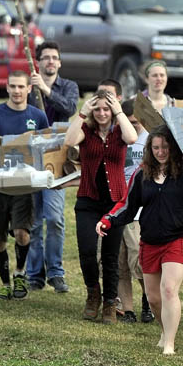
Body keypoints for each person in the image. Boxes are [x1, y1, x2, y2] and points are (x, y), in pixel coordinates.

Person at [97, 126, 183, 354]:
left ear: (173, 148)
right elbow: (127, 206)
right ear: (150, 149)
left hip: (179, 238)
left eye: (165, 147)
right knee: (153, 298)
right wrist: (107, 220)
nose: (161, 152)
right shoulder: (143, 174)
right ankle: (164, 331)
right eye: (156, 147)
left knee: (169, 289)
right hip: (149, 240)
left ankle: (169, 343)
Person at [65, 89, 137, 324]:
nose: (102, 113)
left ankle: (109, 302)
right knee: (87, 252)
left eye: (106, 109)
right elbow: (69, 141)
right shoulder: (86, 131)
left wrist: (118, 110)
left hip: (114, 203)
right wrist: (82, 113)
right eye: (98, 109)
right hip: (88, 200)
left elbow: (132, 137)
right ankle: (93, 293)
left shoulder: (119, 133)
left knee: (111, 255)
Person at [0, 71, 50, 300]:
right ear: (6, 88)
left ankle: (20, 273)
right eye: (12, 86)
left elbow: (46, 146)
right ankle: (5, 283)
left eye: (21, 87)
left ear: (29, 89)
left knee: (22, 233)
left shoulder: (37, 116)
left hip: (24, 186)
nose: (17, 91)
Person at [26, 41, 80, 294]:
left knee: (55, 218)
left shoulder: (68, 87)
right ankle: (34, 273)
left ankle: (56, 272)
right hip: (30, 157)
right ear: (37, 62)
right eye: (45, 57)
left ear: (59, 62)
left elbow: (69, 108)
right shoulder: (27, 87)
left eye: (54, 58)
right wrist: (32, 90)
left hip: (57, 158)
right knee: (34, 220)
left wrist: (45, 90)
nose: (50, 61)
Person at [114, 99, 154, 324]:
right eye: (127, 123)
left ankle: (149, 301)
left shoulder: (151, 141)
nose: (131, 127)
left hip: (138, 210)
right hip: (116, 206)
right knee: (119, 262)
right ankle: (127, 309)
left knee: (138, 261)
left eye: (136, 123)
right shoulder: (116, 138)